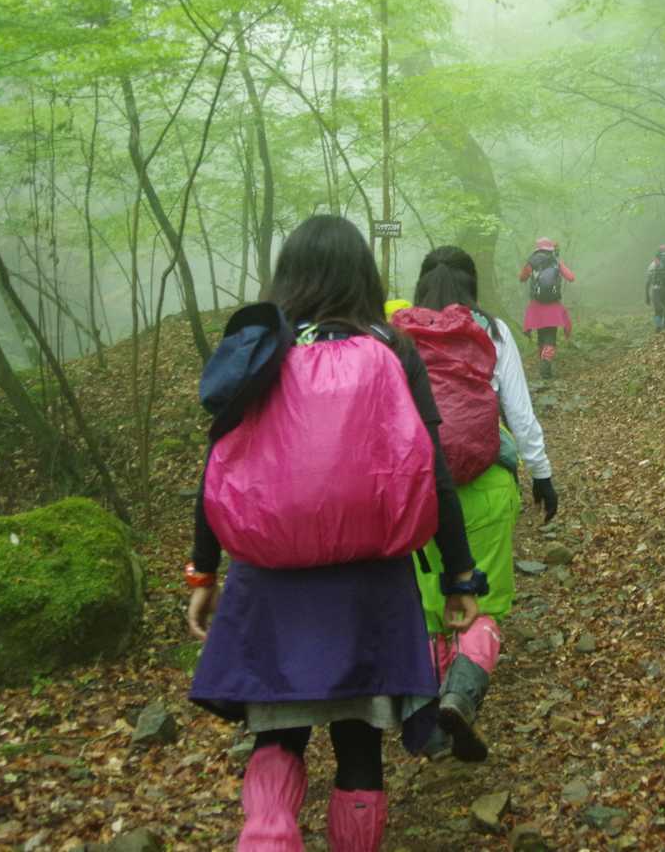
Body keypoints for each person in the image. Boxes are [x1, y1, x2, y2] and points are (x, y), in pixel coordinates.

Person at [186, 215, 483, 852]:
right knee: (358, 741)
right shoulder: (390, 346)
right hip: (369, 582)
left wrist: (203, 570)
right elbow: (430, 467)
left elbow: (218, 463)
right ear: (363, 276)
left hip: (270, 580)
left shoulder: (261, 348)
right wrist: (459, 574)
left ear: (287, 276)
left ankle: (267, 835)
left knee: (277, 730)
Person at [404, 246, 560, 762]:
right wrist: (542, 473)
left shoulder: (399, 336)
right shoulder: (490, 330)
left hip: (420, 491)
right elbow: (519, 411)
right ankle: (461, 695)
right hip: (485, 483)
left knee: (433, 605)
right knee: (482, 604)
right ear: (471, 286)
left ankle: (435, 714)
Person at [518, 237, 575, 379]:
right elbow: (571, 277)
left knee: (541, 334)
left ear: (538, 249)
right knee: (550, 335)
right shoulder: (556, 261)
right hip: (553, 305)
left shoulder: (532, 261)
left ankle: (543, 363)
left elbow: (522, 278)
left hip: (536, 305)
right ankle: (546, 364)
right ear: (551, 249)